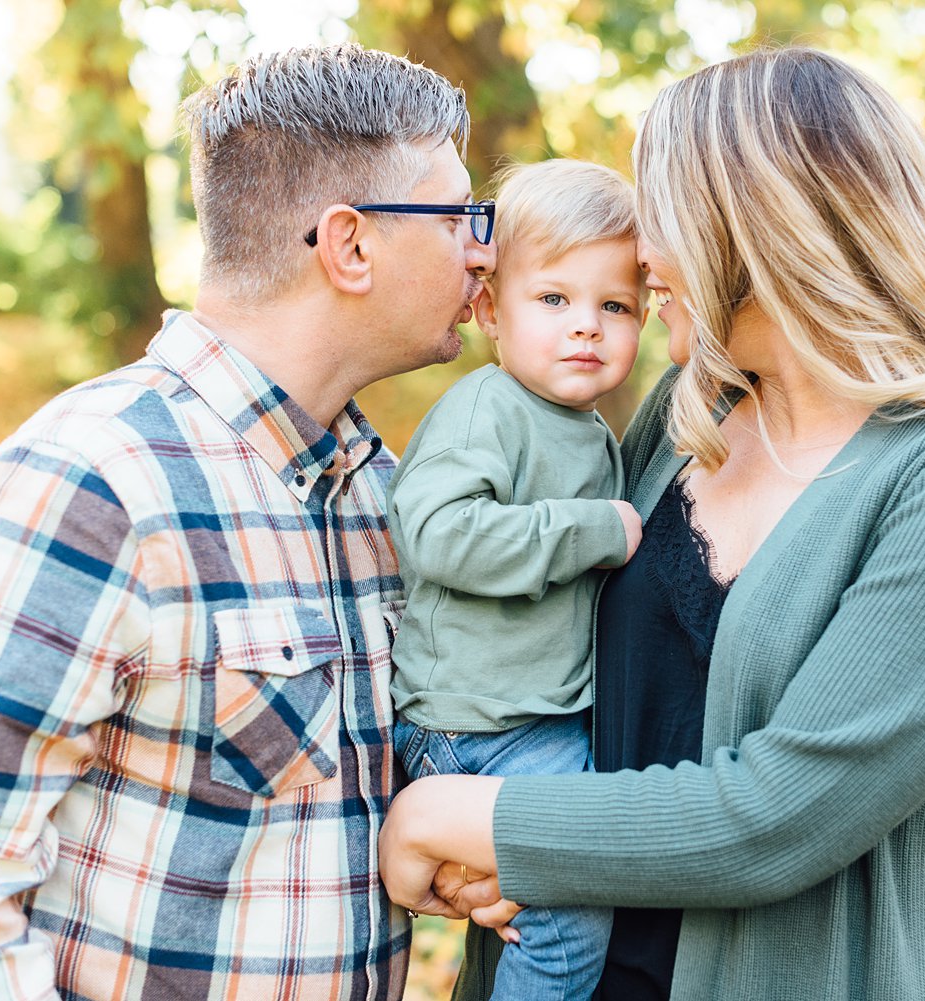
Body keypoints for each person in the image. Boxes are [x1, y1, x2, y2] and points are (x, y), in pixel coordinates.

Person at [377, 47, 925, 1001]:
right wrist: (479, 817)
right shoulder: (689, 410)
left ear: (749, 226)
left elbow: (776, 816)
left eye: (659, 208)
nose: (642, 251)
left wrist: (448, 817)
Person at [0, 44, 494, 1000]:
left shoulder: (382, 497)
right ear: (351, 244)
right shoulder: (93, 486)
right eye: (459, 219)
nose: (485, 250)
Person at [387, 158, 647, 1001]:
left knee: (548, 904)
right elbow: (436, 532)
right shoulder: (486, 409)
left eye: (615, 306)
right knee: (568, 929)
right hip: (475, 725)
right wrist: (591, 531)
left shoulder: (590, 430)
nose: (587, 327)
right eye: (554, 299)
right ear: (490, 308)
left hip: (531, 723)